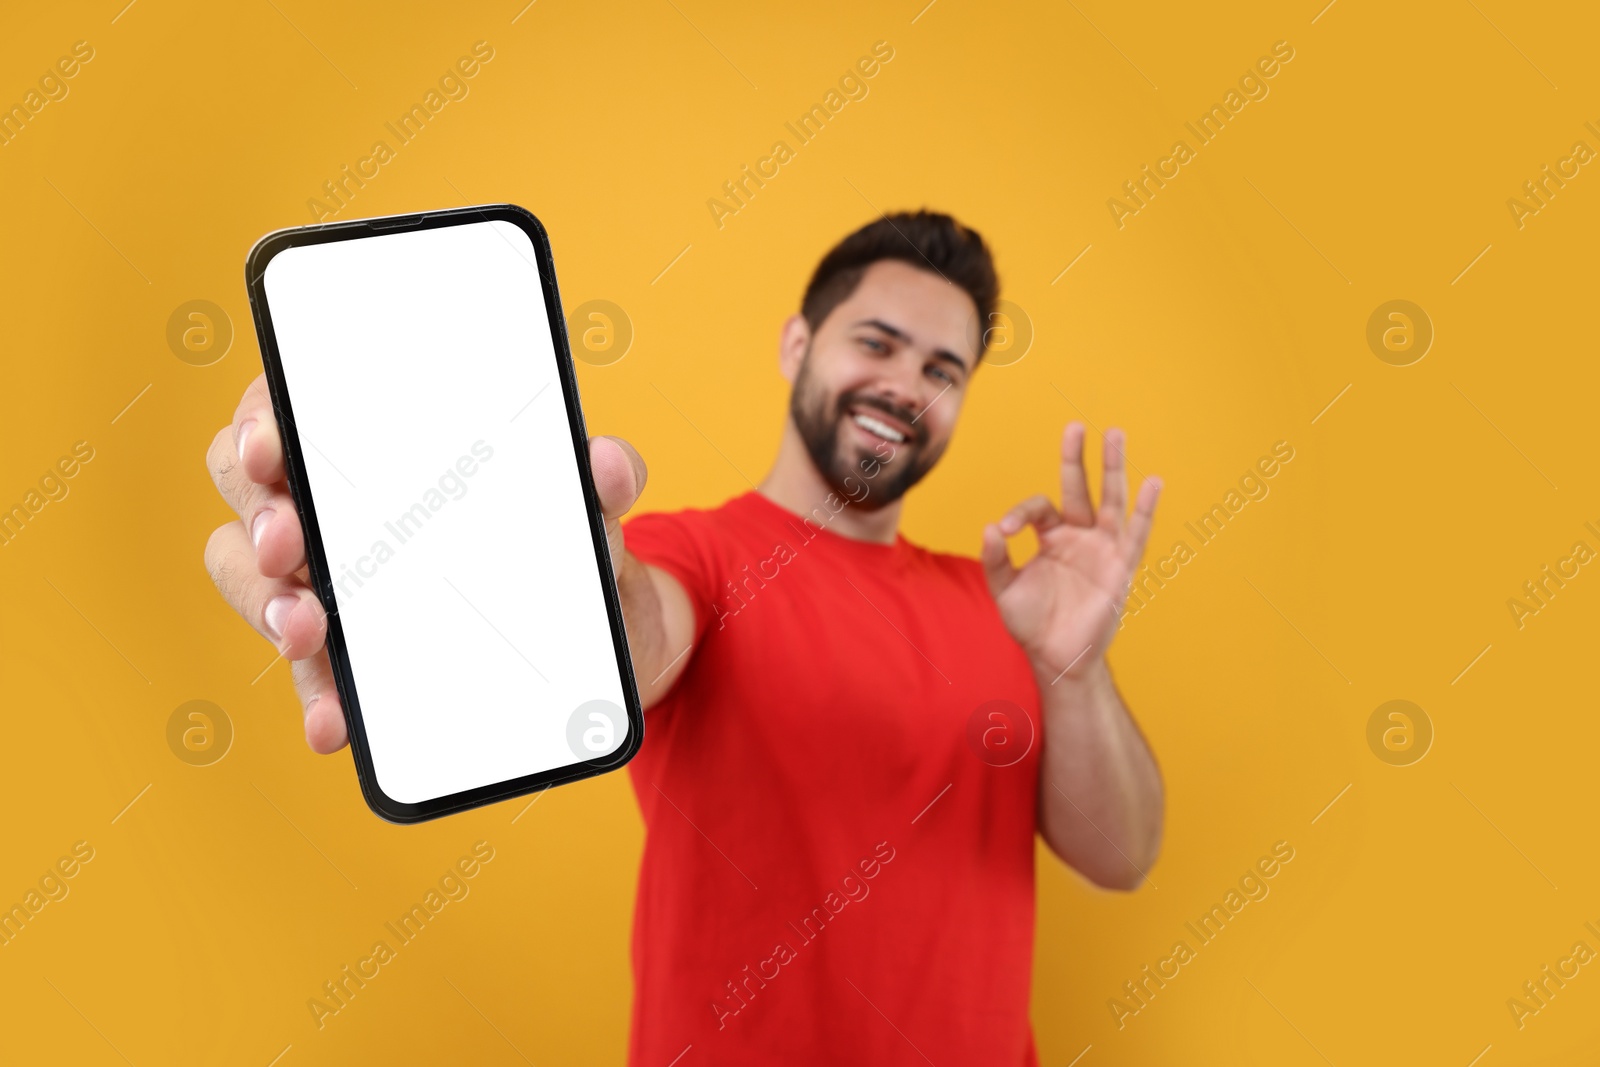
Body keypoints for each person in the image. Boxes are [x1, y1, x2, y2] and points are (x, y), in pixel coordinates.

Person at [205, 209, 1165, 1065]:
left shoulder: (1005, 604)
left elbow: (1123, 856)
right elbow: (641, 634)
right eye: (878, 342)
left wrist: (1072, 667)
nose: (905, 384)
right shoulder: (694, 553)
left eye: (941, 369)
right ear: (798, 342)